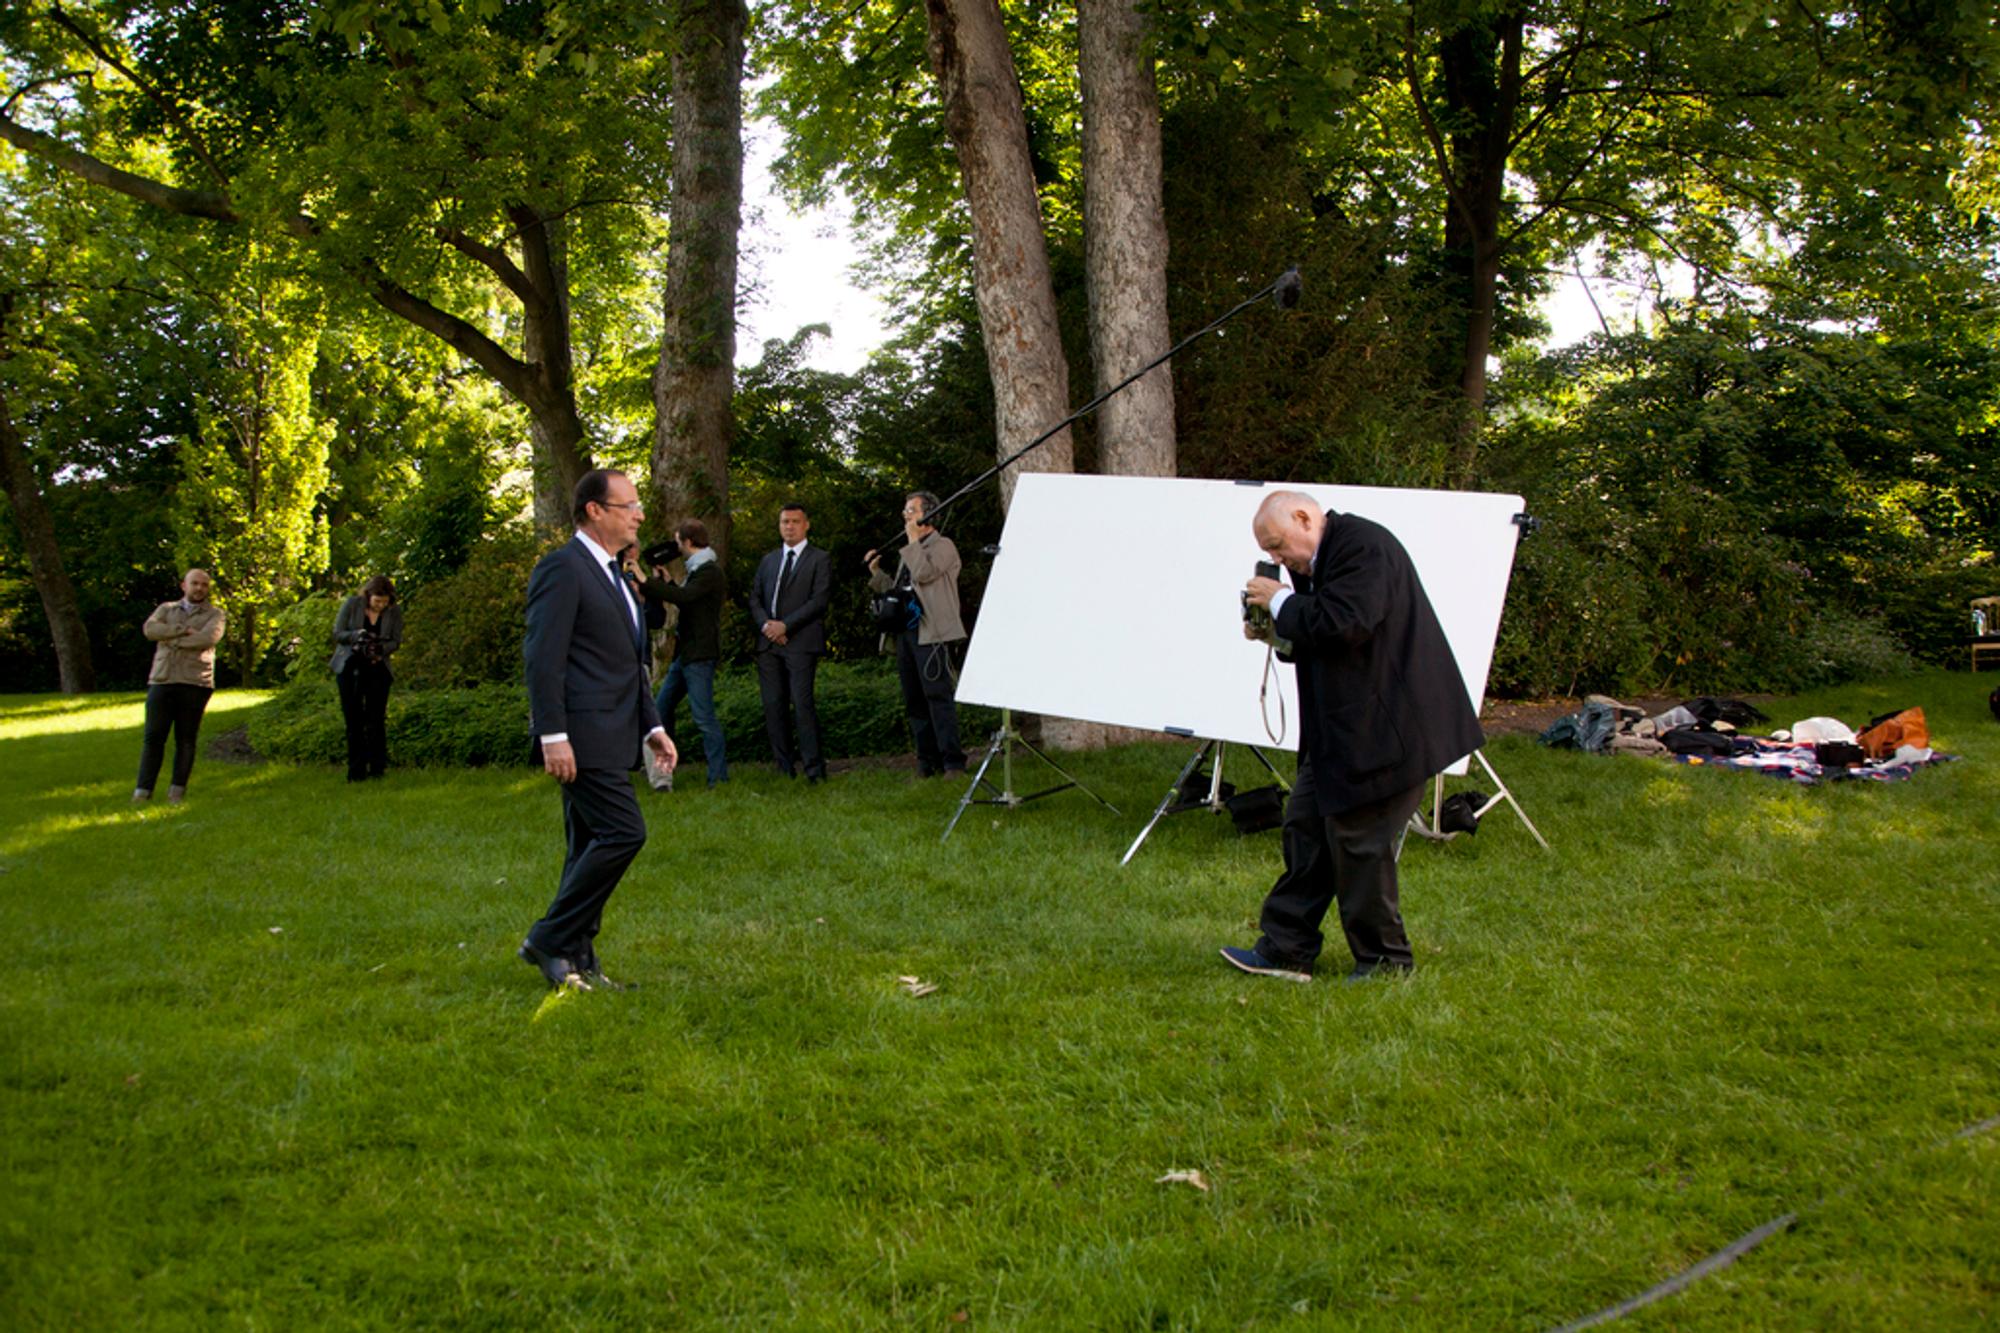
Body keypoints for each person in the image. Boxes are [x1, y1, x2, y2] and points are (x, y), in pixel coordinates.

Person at [1223, 490, 1484, 984]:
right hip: (1341, 730)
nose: (1277, 560)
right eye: (1271, 553)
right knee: (1305, 827)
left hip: (1389, 730)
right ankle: (1286, 947)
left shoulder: (1364, 547)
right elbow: (1321, 636)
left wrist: (1280, 601)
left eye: (1278, 546)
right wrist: (1275, 633)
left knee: (1358, 840)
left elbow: (1346, 622)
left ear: (1304, 517)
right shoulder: (1316, 560)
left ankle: (1386, 963)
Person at [519, 469, 677, 992]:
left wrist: (652, 726)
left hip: (615, 732)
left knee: (586, 845)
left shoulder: (615, 574)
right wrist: (552, 735)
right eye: (629, 505)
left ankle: (576, 960)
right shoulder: (562, 569)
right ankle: (549, 938)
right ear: (595, 511)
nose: (640, 514)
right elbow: (544, 659)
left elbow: (629, 662)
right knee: (624, 832)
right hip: (580, 736)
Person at [866, 490, 967, 776]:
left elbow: (924, 574)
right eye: (905, 512)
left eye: (912, 511)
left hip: (932, 633)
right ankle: (927, 762)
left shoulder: (943, 546)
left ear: (929, 514)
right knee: (914, 700)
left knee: (938, 697)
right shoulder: (910, 551)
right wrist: (877, 573)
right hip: (907, 635)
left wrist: (912, 541)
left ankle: (953, 762)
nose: (906, 516)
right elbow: (901, 593)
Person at [639, 519, 729, 789]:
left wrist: (645, 582)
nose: (676, 547)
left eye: (678, 542)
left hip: (699, 655)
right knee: (661, 709)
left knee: (704, 717)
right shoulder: (698, 569)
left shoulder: (709, 571)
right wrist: (669, 584)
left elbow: (687, 599)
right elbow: (688, 599)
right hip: (686, 654)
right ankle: (663, 769)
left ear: (689, 542)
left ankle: (719, 777)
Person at [748, 502, 831, 781]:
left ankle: (814, 770)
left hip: (801, 642)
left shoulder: (819, 559)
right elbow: (755, 598)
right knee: (773, 705)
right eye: (785, 522)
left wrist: (787, 625)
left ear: (806, 525)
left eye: (795, 522)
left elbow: (818, 601)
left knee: (802, 705)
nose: (789, 526)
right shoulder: (769, 560)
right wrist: (767, 626)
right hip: (768, 644)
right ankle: (784, 768)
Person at [133, 568, 227, 805]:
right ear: (183, 585)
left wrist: (169, 639)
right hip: (162, 679)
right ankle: (142, 792)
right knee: (153, 736)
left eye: (204, 585)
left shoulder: (215, 615)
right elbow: (150, 630)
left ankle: (177, 792)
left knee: (185, 739)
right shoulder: (166, 609)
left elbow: (207, 639)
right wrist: (183, 631)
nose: (199, 588)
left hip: (195, 682)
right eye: (194, 583)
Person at [329, 575, 403, 782]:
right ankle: (356, 770)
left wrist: (381, 648)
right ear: (368, 596)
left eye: (384, 602)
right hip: (350, 666)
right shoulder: (352, 605)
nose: (380, 606)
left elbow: (396, 641)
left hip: (378, 668)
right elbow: (338, 633)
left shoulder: (394, 612)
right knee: (353, 720)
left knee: (376, 719)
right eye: (377, 601)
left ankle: (377, 768)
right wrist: (357, 635)